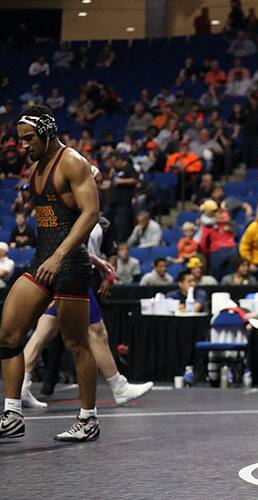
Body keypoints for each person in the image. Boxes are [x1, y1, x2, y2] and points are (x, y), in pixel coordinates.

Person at [1, 105, 100, 441]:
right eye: (20, 140)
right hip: (43, 259)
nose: (23, 146)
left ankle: (88, 419)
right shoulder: (39, 165)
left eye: (28, 139)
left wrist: (62, 256)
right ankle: (12, 413)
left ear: (46, 132)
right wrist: (52, 256)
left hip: (69, 264)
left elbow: (91, 213)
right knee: (8, 336)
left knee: (76, 342)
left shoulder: (71, 161)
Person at [21, 254, 153, 408]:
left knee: (43, 332)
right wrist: (95, 261)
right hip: (71, 271)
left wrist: (95, 261)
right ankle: (119, 387)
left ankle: (21, 386)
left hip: (55, 268)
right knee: (97, 332)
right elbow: (70, 242)